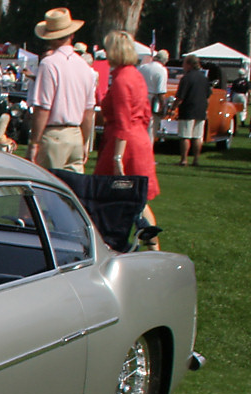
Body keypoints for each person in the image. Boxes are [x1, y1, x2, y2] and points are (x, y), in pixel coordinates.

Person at [95, 30, 159, 247]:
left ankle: (113, 244)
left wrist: (117, 158)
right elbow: (147, 113)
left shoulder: (122, 79)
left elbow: (122, 121)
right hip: (139, 139)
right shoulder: (136, 75)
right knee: (139, 200)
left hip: (124, 144)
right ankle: (152, 247)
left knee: (112, 196)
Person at [26, 8, 97, 173]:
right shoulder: (85, 67)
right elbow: (88, 112)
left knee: (45, 191)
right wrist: (84, 141)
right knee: (72, 191)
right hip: (76, 135)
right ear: (71, 35)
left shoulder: (49, 64)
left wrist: (34, 142)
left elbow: (43, 108)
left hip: (54, 135)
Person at [174, 54, 211, 166]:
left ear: (189, 65)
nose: (183, 66)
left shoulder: (186, 78)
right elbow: (208, 95)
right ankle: (196, 159)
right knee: (197, 136)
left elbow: (180, 97)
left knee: (185, 136)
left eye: (184, 63)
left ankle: (184, 159)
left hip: (188, 109)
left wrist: (173, 107)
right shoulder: (204, 79)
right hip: (200, 109)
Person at [138, 48, 168, 140]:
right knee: (151, 128)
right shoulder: (162, 70)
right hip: (153, 101)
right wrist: (163, 107)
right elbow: (161, 92)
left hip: (140, 98)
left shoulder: (142, 67)